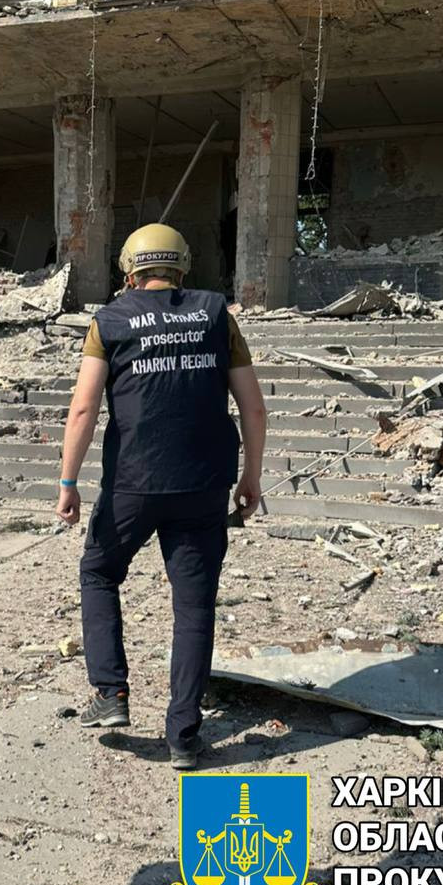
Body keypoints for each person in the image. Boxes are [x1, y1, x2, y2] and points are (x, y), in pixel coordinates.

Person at [55, 223, 267, 771]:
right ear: (182, 269)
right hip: (204, 482)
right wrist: (251, 477)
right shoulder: (216, 314)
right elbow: (252, 406)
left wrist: (68, 482)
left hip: (133, 482)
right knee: (193, 606)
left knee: (99, 572)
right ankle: (184, 737)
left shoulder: (110, 320)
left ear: (129, 273)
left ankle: (110, 692)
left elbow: (83, 408)